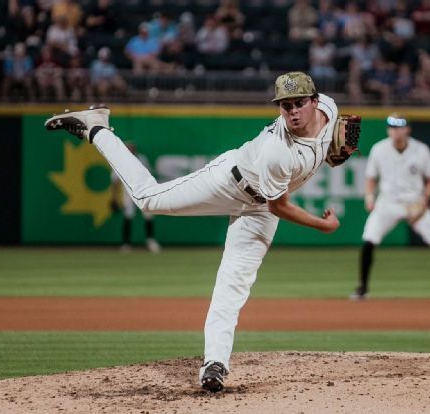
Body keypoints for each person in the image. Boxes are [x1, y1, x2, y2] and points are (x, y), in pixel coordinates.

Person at [44, 72, 359, 392]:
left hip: (259, 210)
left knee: (232, 285)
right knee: (148, 200)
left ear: (316, 101)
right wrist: (323, 224)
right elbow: (280, 205)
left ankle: (215, 364)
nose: (292, 111)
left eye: (299, 103)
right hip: (230, 183)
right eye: (285, 105)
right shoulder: (278, 151)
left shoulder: (330, 109)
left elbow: (337, 139)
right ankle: (97, 128)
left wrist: (331, 152)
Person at [351, 114, 430, 302]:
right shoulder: (379, 149)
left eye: (400, 127)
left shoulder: (421, 150)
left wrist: (425, 201)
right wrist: (369, 197)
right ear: (388, 130)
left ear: (407, 129)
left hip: (415, 202)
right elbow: (371, 178)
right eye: (392, 127)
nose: (396, 131)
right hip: (388, 202)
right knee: (369, 239)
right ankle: (362, 288)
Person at [111, 143, 161, 254]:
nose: (130, 150)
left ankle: (151, 241)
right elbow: (115, 181)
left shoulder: (142, 159)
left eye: (132, 148)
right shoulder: (120, 159)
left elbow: (149, 175)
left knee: (148, 214)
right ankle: (126, 243)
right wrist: (114, 198)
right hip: (128, 191)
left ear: (135, 150)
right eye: (128, 148)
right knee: (128, 216)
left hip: (144, 190)